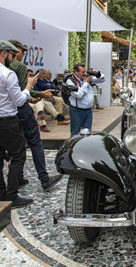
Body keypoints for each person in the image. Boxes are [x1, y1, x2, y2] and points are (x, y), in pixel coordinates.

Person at [8, 40, 63, 191]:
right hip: (20, 108)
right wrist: (39, 93)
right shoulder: (18, 66)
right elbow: (22, 90)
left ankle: (16, 179)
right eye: (20, 51)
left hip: (8, 113)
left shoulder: (5, 68)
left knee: (17, 147)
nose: (22, 55)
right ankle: (44, 178)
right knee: (35, 143)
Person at [0, 40, 36, 208]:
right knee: (18, 156)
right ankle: (12, 195)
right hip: (7, 121)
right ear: (4, 53)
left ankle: (1, 193)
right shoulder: (8, 74)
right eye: (12, 55)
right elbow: (19, 100)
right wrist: (28, 87)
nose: (13, 59)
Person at [67, 63, 105, 136]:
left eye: (85, 71)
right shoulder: (70, 81)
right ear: (76, 71)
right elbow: (79, 95)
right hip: (77, 111)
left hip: (88, 110)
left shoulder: (87, 78)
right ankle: (73, 147)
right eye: (82, 72)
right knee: (75, 133)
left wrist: (96, 73)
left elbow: (102, 79)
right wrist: (86, 83)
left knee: (87, 133)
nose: (84, 74)